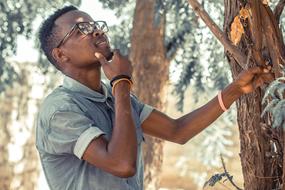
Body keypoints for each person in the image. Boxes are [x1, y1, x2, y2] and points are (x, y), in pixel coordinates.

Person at [36, 5, 273, 190]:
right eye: (81, 29)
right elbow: (122, 164)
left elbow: (178, 131)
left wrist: (235, 90)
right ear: (60, 54)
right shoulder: (60, 110)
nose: (97, 30)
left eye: (95, 24)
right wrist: (120, 82)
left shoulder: (116, 97)